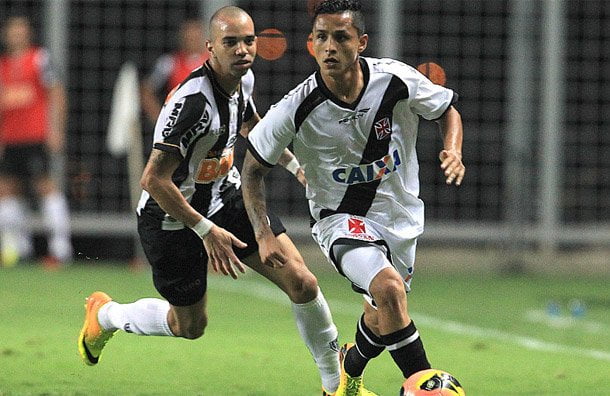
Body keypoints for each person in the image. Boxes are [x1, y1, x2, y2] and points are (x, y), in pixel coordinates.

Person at [78, 6, 342, 394]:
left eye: (248, 41)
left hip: (227, 199)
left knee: (302, 282)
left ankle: (335, 386)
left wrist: (295, 165)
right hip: (171, 220)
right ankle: (106, 315)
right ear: (210, 48)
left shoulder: (244, 80)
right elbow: (152, 180)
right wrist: (205, 230)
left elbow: (253, 126)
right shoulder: (193, 104)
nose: (242, 50)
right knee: (189, 327)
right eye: (230, 42)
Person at [241, 0, 465, 394]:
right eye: (320, 38)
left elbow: (447, 110)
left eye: (340, 37)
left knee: (382, 317)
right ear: (311, 45)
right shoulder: (296, 107)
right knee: (389, 291)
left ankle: (348, 370)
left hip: (400, 216)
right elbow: (252, 170)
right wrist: (262, 232)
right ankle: (426, 383)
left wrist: (453, 150)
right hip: (337, 219)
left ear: (360, 42)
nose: (329, 47)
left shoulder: (395, 80)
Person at [0, 16, 72, 268]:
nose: (16, 35)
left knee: (45, 187)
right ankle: (17, 246)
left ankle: (60, 247)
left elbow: (57, 92)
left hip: (36, 135)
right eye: (12, 31)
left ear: (28, 33)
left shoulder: (40, 58)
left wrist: (56, 130)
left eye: (21, 30)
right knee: (7, 190)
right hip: (11, 137)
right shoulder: (3, 65)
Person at [140, 18, 209, 126]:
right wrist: (160, 120)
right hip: (180, 125)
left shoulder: (214, 62)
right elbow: (146, 90)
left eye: (195, 38)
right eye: (188, 38)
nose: (191, 41)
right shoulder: (169, 62)